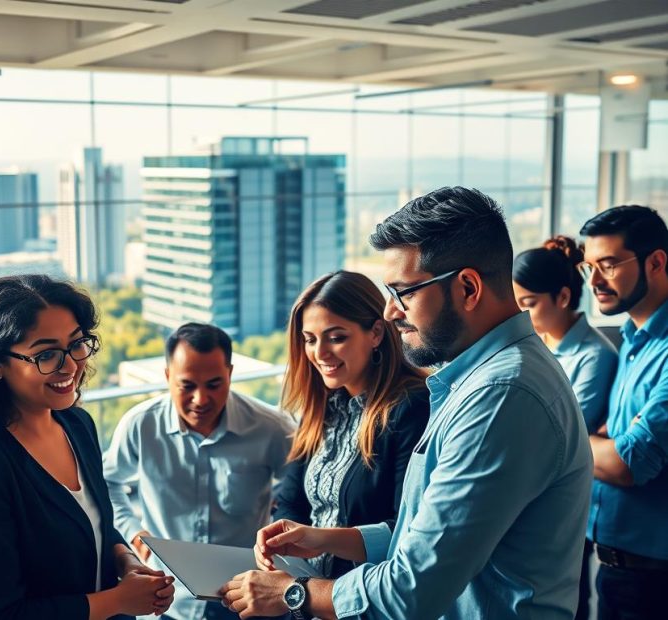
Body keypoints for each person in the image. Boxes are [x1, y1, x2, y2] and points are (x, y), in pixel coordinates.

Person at [220, 187, 591, 619]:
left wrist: (295, 594)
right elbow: (423, 535)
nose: (392, 313)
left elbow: (410, 589)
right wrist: (328, 538)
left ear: (468, 288)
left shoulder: (500, 396)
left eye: (404, 293)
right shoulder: (472, 382)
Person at [0, 274, 174, 619]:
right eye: (46, 354)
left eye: (76, 344)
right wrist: (118, 601)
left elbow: (93, 524)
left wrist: (127, 561)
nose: (70, 365)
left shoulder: (76, 424)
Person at [104, 322, 296, 620]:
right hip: (168, 600)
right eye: (187, 385)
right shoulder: (140, 425)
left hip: (248, 598)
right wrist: (133, 532)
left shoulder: (272, 429)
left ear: (230, 374)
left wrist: (278, 516)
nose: (200, 399)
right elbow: (108, 483)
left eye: (214, 384)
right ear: (168, 377)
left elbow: (301, 491)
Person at [271, 270, 429, 580]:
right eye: (310, 340)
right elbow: (290, 501)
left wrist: (318, 540)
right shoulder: (322, 408)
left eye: (337, 337)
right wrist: (280, 541)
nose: (320, 354)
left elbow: (409, 530)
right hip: (304, 592)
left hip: (365, 596)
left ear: (376, 334)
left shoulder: (411, 408)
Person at [513, 235, 619, 620]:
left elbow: (553, 437)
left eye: (529, 304)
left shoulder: (594, 356)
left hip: (567, 506)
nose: (523, 315)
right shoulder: (533, 346)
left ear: (561, 297)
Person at [579, 205, 668, 620]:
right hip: (615, 570)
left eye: (609, 265)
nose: (594, 281)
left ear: (656, 262)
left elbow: (628, 463)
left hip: (654, 582)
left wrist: (570, 438)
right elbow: (612, 448)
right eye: (589, 267)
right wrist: (605, 443)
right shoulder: (631, 340)